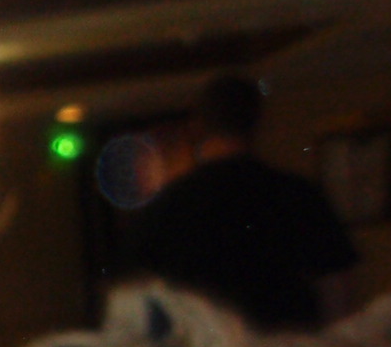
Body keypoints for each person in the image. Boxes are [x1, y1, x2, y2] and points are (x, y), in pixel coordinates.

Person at [128, 73, 359, 329]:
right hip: (285, 340)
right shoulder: (296, 193)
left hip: (208, 344)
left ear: (199, 125)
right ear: (256, 121)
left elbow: (145, 295)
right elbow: (335, 285)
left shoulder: (170, 206)